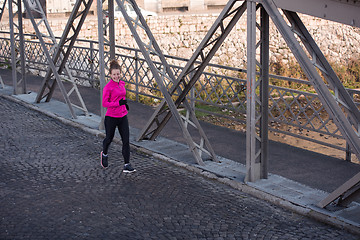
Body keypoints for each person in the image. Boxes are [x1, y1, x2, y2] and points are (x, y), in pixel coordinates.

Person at [100, 59, 136, 173]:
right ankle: (104, 153)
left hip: (122, 116)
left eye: (118, 74)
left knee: (126, 140)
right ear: (110, 75)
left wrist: (124, 105)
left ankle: (127, 164)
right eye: (114, 74)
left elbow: (122, 97)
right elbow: (105, 103)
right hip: (111, 117)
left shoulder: (122, 84)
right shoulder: (108, 87)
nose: (116, 76)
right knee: (109, 139)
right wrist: (118, 104)